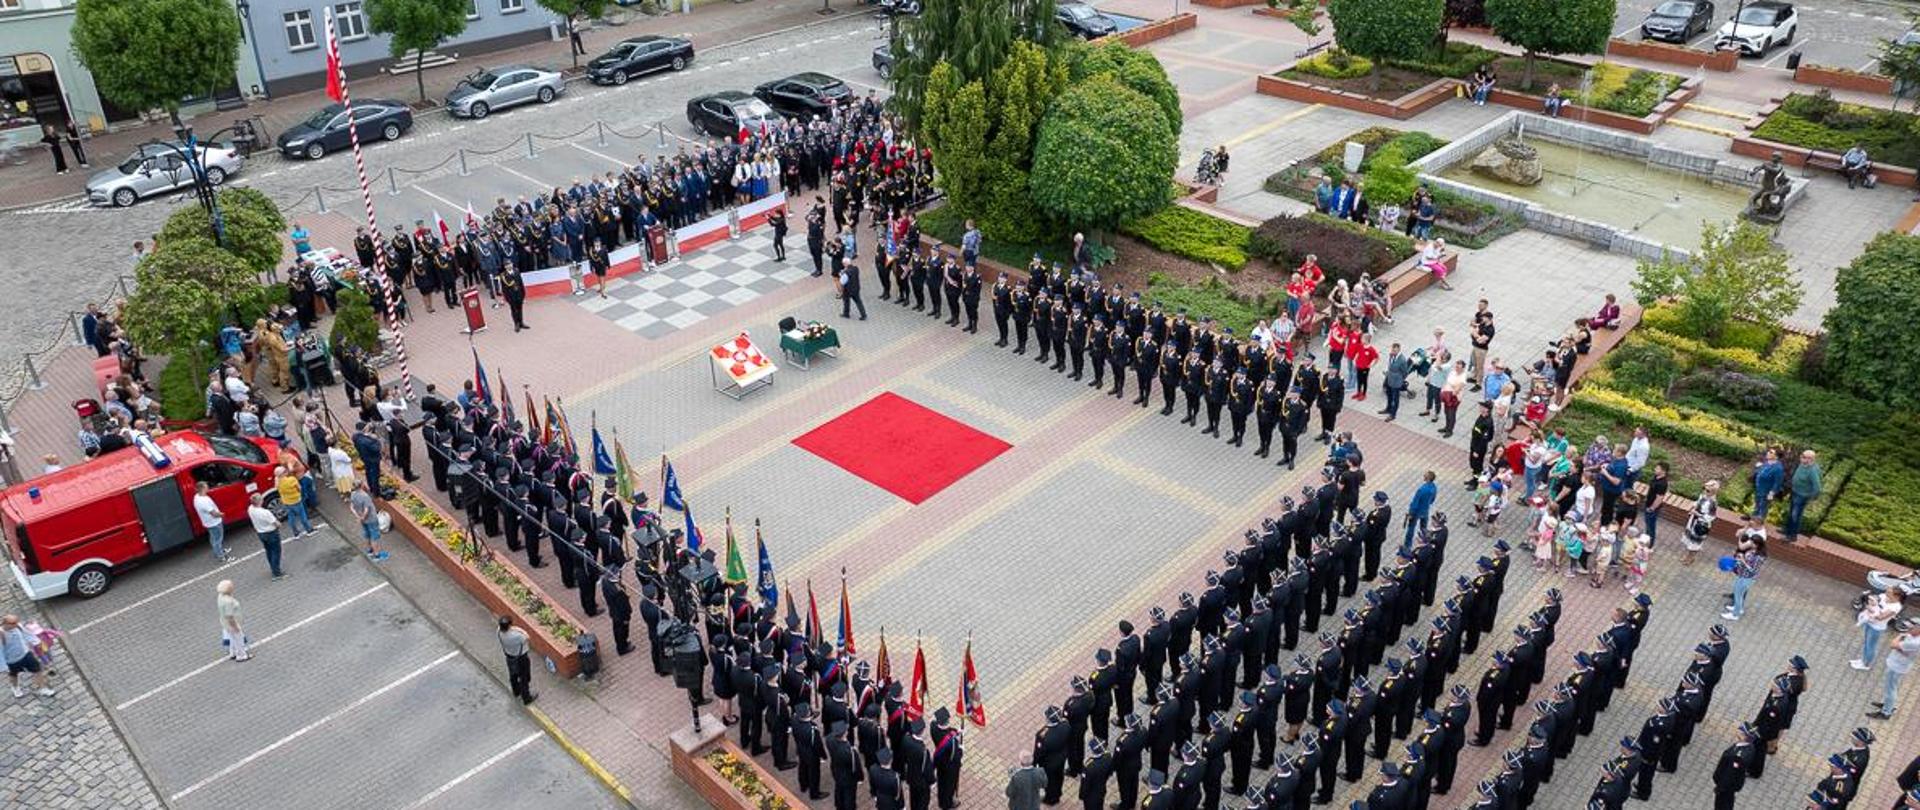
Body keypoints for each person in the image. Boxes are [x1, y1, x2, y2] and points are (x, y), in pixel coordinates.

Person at [1869, 620, 1919, 720]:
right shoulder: (1913, 636)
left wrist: (1900, 636)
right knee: (1890, 687)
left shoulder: (1915, 642)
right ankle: (1887, 704)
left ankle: (1886, 712)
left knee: (1891, 689)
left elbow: (1893, 644)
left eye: (1911, 628)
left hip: (1897, 666)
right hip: (1897, 663)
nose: (1908, 629)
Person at [3, 614, 54, 698]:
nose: (16, 624)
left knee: (37, 670)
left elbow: (27, 634)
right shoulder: (2, 633)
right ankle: (15, 688)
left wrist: (37, 643)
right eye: (13, 623)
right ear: (6, 623)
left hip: (25, 654)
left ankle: (43, 688)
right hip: (11, 660)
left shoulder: (18, 626)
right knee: (13, 675)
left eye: (16, 622)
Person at [1724, 521, 1766, 621]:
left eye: (1752, 542)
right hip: (1742, 574)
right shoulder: (1752, 550)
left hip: (1747, 578)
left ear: (1757, 545)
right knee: (1737, 592)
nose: (1750, 543)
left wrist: (1743, 560)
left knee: (1739, 595)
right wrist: (1739, 559)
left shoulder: (1758, 557)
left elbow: (1752, 570)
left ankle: (1735, 615)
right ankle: (1738, 608)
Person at [1856, 589, 1904, 670]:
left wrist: (1868, 607)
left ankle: (1866, 664)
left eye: (1889, 592)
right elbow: (1872, 601)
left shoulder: (1896, 607)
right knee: (1866, 642)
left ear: (1896, 596)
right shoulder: (1883, 596)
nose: (1886, 593)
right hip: (1869, 622)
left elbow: (1881, 617)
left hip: (1876, 628)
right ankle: (1863, 660)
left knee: (1870, 646)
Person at [1785, 449, 1821, 543]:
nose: (1801, 457)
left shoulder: (1812, 471)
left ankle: (1792, 535)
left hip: (1802, 496)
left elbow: (1817, 487)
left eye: (1804, 457)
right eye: (1802, 455)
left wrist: (1812, 498)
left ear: (1810, 459)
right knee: (1791, 512)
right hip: (1795, 492)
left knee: (1795, 515)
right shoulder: (1802, 464)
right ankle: (1787, 530)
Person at [247, 493, 286, 580]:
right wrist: (279, 524)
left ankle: (273, 567)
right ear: (259, 501)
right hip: (271, 533)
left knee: (269, 551)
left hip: (261, 533)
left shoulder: (250, 509)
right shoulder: (265, 512)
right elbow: (276, 523)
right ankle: (277, 573)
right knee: (276, 552)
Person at [499, 616, 536, 704]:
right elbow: (527, 637)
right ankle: (526, 698)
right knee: (524, 677)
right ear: (509, 626)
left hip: (509, 657)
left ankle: (516, 691)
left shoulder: (499, 632)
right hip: (521, 658)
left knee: (513, 675)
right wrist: (517, 629)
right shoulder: (517, 636)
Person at [351, 479, 389, 561]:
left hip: (363, 520)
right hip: (371, 519)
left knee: (367, 534)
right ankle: (377, 555)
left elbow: (352, 507)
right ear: (361, 485)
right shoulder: (365, 496)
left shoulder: (353, 494)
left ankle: (370, 550)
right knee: (374, 537)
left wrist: (358, 517)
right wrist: (363, 517)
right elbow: (366, 510)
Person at [1683, 480, 1719, 566]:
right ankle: (1687, 556)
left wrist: (1698, 514)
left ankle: (1691, 558)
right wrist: (1693, 507)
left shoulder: (1713, 503)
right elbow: (1697, 503)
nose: (1705, 491)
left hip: (1701, 524)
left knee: (1695, 542)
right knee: (1690, 540)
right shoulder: (1703, 496)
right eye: (1704, 488)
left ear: (1713, 492)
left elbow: (1711, 517)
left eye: (1707, 490)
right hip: (1694, 520)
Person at [193, 481, 230, 562]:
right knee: (218, 539)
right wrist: (222, 514)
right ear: (202, 488)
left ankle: (218, 551)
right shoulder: (203, 501)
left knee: (213, 538)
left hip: (208, 523)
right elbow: (214, 514)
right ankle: (221, 556)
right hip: (214, 522)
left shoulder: (197, 497)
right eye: (206, 486)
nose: (208, 487)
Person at [276, 465, 315, 539]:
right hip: (296, 500)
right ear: (284, 473)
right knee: (302, 516)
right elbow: (299, 488)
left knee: (291, 518)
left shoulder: (277, 482)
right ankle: (309, 530)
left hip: (286, 502)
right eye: (285, 471)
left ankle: (296, 533)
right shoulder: (291, 479)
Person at [217, 579, 250, 662]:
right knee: (238, 639)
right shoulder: (228, 601)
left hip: (224, 622)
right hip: (231, 623)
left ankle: (233, 653)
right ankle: (241, 655)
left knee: (232, 637)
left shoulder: (220, 596)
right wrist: (235, 626)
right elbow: (230, 616)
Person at [1751, 448, 1785, 524]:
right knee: (1757, 504)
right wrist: (1758, 467)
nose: (1768, 453)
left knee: (1763, 507)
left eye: (1771, 452)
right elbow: (1760, 472)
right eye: (1769, 451)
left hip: (1766, 491)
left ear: (1776, 456)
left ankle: (1759, 523)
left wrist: (1772, 493)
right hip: (1759, 488)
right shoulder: (1767, 462)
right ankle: (1753, 518)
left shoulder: (1778, 468)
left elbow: (1778, 482)